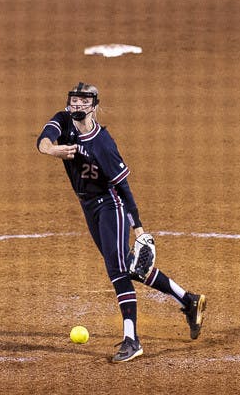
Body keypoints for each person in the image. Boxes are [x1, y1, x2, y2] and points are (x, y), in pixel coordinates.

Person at [37, 82, 207, 363]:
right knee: (129, 266)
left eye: (83, 102)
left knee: (117, 270)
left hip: (109, 205)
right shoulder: (63, 120)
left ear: (94, 106)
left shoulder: (103, 144)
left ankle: (132, 339)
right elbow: (42, 140)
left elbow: (124, 189)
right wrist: (52, 151)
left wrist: (137, 227)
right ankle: (188, 301)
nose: (77, 106)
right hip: (87, 206)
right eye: (74, 101)